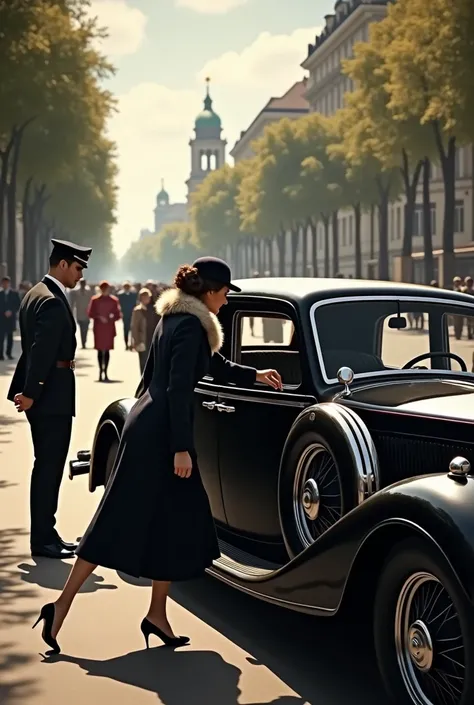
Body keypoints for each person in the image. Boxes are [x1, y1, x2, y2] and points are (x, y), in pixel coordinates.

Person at [32, 256, 282, 654]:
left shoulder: (178, 320)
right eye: (224, 294)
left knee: (176, 521)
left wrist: (256, 375)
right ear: (209, 292)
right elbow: (179, 390)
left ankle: (156, 614)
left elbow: (199, 369)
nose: (227, 302)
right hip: (160, 434)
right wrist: (180, 448)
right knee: (117, 519)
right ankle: (60, 606)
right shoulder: (190, 327)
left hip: (150, 424)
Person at [7, 239, 92, 559]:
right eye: (78, 267)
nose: (81, 274)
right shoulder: (52, 300)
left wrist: (31, 391)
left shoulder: (35, 293)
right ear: (62, 265)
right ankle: (43, 539)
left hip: (46, 392)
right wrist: (31, 392)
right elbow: (41, 352)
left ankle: (46, 533)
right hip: (50, 394)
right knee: (49, 467)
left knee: (46, 466)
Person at [87, 281, 121, 382]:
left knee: (107, 351)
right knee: (99, 350)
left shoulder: (114, 300)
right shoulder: (95, 300)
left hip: (109, 328)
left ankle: (105, 372)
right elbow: (90, 313)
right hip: (99, 328)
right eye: (104, 289)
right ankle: (100, 371)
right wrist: (99, 317)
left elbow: (118, 315)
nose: (105, 291)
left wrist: (111, 317)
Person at [130, 287, 153, 374]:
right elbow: (134, 327)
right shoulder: (137, 310)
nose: (146, 299)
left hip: (151, 339)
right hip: (142, 340)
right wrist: (135, 342)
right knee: (143, 363)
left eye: (147, 297)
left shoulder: (153, 310)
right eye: (144, 297)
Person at [0, 276, 21, 360]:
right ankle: (0, 354)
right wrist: (4, 312)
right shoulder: (0, 294)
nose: (5, 284)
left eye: (6, 283)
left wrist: (11, 311)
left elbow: (18, 304)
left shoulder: (14, 294)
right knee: (1, 338)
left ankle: (9, 354)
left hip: (10, 318)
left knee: (10, 337)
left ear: (9, 284)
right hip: (1, 318)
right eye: (3, 283)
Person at [69, 278, 93, 348]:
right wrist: (71, 311)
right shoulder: (75, 292)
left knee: (85, 329)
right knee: (81, 329)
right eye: (82, 283)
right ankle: (83, 342)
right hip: (79, 313)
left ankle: (84, 342)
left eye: (84, 283)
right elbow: (72, 303)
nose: (83, 284)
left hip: (87, 313)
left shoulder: (89, 291)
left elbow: (91, 302)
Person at [117, 281, 136, 349]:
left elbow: (135, 304)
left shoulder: (133, 295)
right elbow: (119, 305)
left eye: (128, 286)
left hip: (132, 314)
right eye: (125, 287)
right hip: (125, 315)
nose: (127, 288)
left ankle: (132, 344)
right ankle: (126, 343)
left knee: (133, 329)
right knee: (126, 330)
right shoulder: (120, 295)